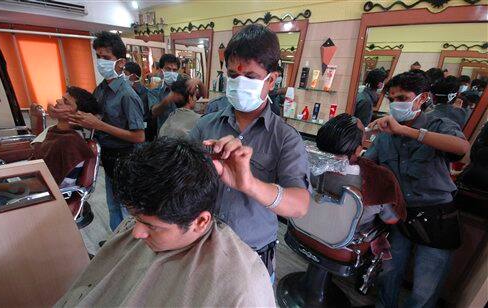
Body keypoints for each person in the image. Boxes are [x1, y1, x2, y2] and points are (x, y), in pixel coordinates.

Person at [54, 138, 276, 307]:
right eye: (135, 219)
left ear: (200, 221)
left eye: (151, 226)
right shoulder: (149, 219)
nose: (136, 233)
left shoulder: (241, 290)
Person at [189, 24, 311, 281]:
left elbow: (299, 205)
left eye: (251, 77)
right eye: (232, 75)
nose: (238, 83)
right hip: (201, 244)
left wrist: (250, 184)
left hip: (252, 255)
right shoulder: (205, 125)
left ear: (271, 80)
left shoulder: (285, 139)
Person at [364, 72, 470, 308]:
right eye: (392, 99)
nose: (396, 104)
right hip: (401, 217)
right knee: (388, 274)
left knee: (424, 290)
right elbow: (367, 167)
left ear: (421, 98)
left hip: (437, 219)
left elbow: (462, 148)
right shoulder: (384, 135)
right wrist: (356, 139)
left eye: (402, 97)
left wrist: (407, 131)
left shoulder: (438, 124)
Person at [50, 31, 145, 231]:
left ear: (120, 62)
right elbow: (93, 119)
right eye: (98, 57)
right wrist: (70, 117)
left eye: (106, 58)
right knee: (113, 206)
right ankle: (115, 243)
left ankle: (127, 248)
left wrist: (100, 125)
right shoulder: (100, 90)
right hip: (108, 158)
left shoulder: (128, 95)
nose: (101, 62)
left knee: (127, 209)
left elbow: (139, 136)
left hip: (126, 159)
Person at [314, 113, 405, 229]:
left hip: (311, 228)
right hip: (349, 239)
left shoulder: (307, 165)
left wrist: (362, 134)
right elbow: (391, 219)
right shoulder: (379, 178)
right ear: (358, 150)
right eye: (363, 132)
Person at [148, 54, 207, 131]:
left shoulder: (184, 86)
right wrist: (167, 99)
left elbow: (203, 95)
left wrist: (199, 83)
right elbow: (154, 112)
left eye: (175, 70)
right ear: (161, 70)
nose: (172, 72)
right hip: (165, 132)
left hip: (185, 130)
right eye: (168, 69)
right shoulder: (155, 90)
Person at [124, 61, 156, 142]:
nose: (121, 76)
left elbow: (149, 116)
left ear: (133, 76)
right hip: (127, 134)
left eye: (124, 73)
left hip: (144, 134)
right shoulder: (123, 92)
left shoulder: (146, 93)